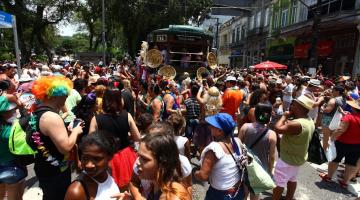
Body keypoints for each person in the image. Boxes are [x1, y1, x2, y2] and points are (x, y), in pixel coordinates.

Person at [31, 76, 84, 200]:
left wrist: (68, 132)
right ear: (56, 95)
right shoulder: (52, 117)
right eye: (65, 96)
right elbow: (65, 148)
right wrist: (76, 131)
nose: (65, 100)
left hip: (44, 166)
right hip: (55, 171)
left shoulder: (38, 112)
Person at [89, 84, 140, 191]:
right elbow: (137, 138)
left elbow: (90, 142)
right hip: (126, 156)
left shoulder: (96, 119)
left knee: (108, 189)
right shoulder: (127, 115)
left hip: (106, 157)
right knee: (128, 188)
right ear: (119, 100)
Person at [272, 95, 315, 200]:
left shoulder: (296, 124)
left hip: (287, 159)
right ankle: (289, 197)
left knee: (279, 183)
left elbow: (277, 129)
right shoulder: (309, 120)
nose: (291, 106)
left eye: (294, 104)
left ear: (299, 106)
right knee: (292, 179)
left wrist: (284, 116)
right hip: (298, 158)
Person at [195, 113, 245, 200]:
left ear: (220, 131)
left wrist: (195, 172)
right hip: (237, 192)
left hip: (219, 195)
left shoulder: (214, 149)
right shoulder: (237, 141)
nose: (209, 127)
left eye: (213, 125)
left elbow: (203, 176)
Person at [65, 131, 121, 200]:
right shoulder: (76, 192)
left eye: (96, 159)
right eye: (85, 158)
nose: (89, 165)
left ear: (109, 157)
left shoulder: (108, 169)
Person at [238, 103, 277, 200]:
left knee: (243, 193)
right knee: (255, 195)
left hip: (245, 165)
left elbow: (238, 146)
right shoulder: (272, 134)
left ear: (255, 114)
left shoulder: (245, 127)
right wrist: (270, 170)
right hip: (260, 168)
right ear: (269, 117)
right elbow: (272, 157)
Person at [319, 98, 360, 188]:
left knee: (334, 160)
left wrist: (332, 139)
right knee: (351, 163)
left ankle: (329, 177)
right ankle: (345, 182)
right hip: (357, 145)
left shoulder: (349, 117)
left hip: (342, 143)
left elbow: (340, 129)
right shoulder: (350, 116)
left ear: (354, 108)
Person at [136, 133, 191, 200]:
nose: (137, 162)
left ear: (163, 163)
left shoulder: (172, 197)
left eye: (144, 159)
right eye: (138, 156)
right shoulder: (156, 185)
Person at [320, 85, 346, 150]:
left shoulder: (333, 100)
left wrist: (322, 108)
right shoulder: (344, 99)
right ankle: (331, 150)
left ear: (337, 92)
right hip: (337, 120)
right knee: (333, 137)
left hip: (328, 119)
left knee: (326, 137)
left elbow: (327, 110)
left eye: (333, 91)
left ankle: (324, 151)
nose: (331, 92)